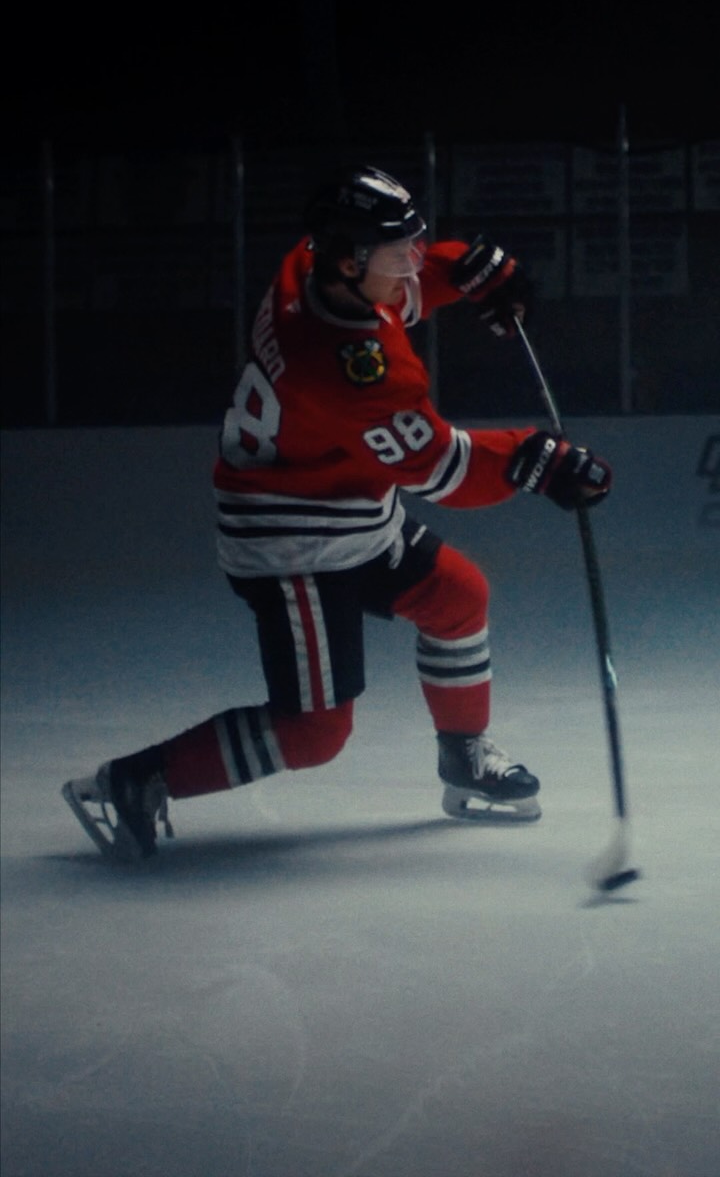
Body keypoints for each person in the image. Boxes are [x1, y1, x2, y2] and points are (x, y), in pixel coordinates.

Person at [62, 165, 612, 861]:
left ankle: (464, 755)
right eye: (400, 251)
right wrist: (537, 461)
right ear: (352, 262)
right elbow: (440, 470)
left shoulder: (312, 268)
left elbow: (400, 293)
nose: (413, 260)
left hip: (344, 507)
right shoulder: (352, 369)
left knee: (458, 596)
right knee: (314, 733)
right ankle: (136, 780)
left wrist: (463, 270)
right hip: (294, 545)